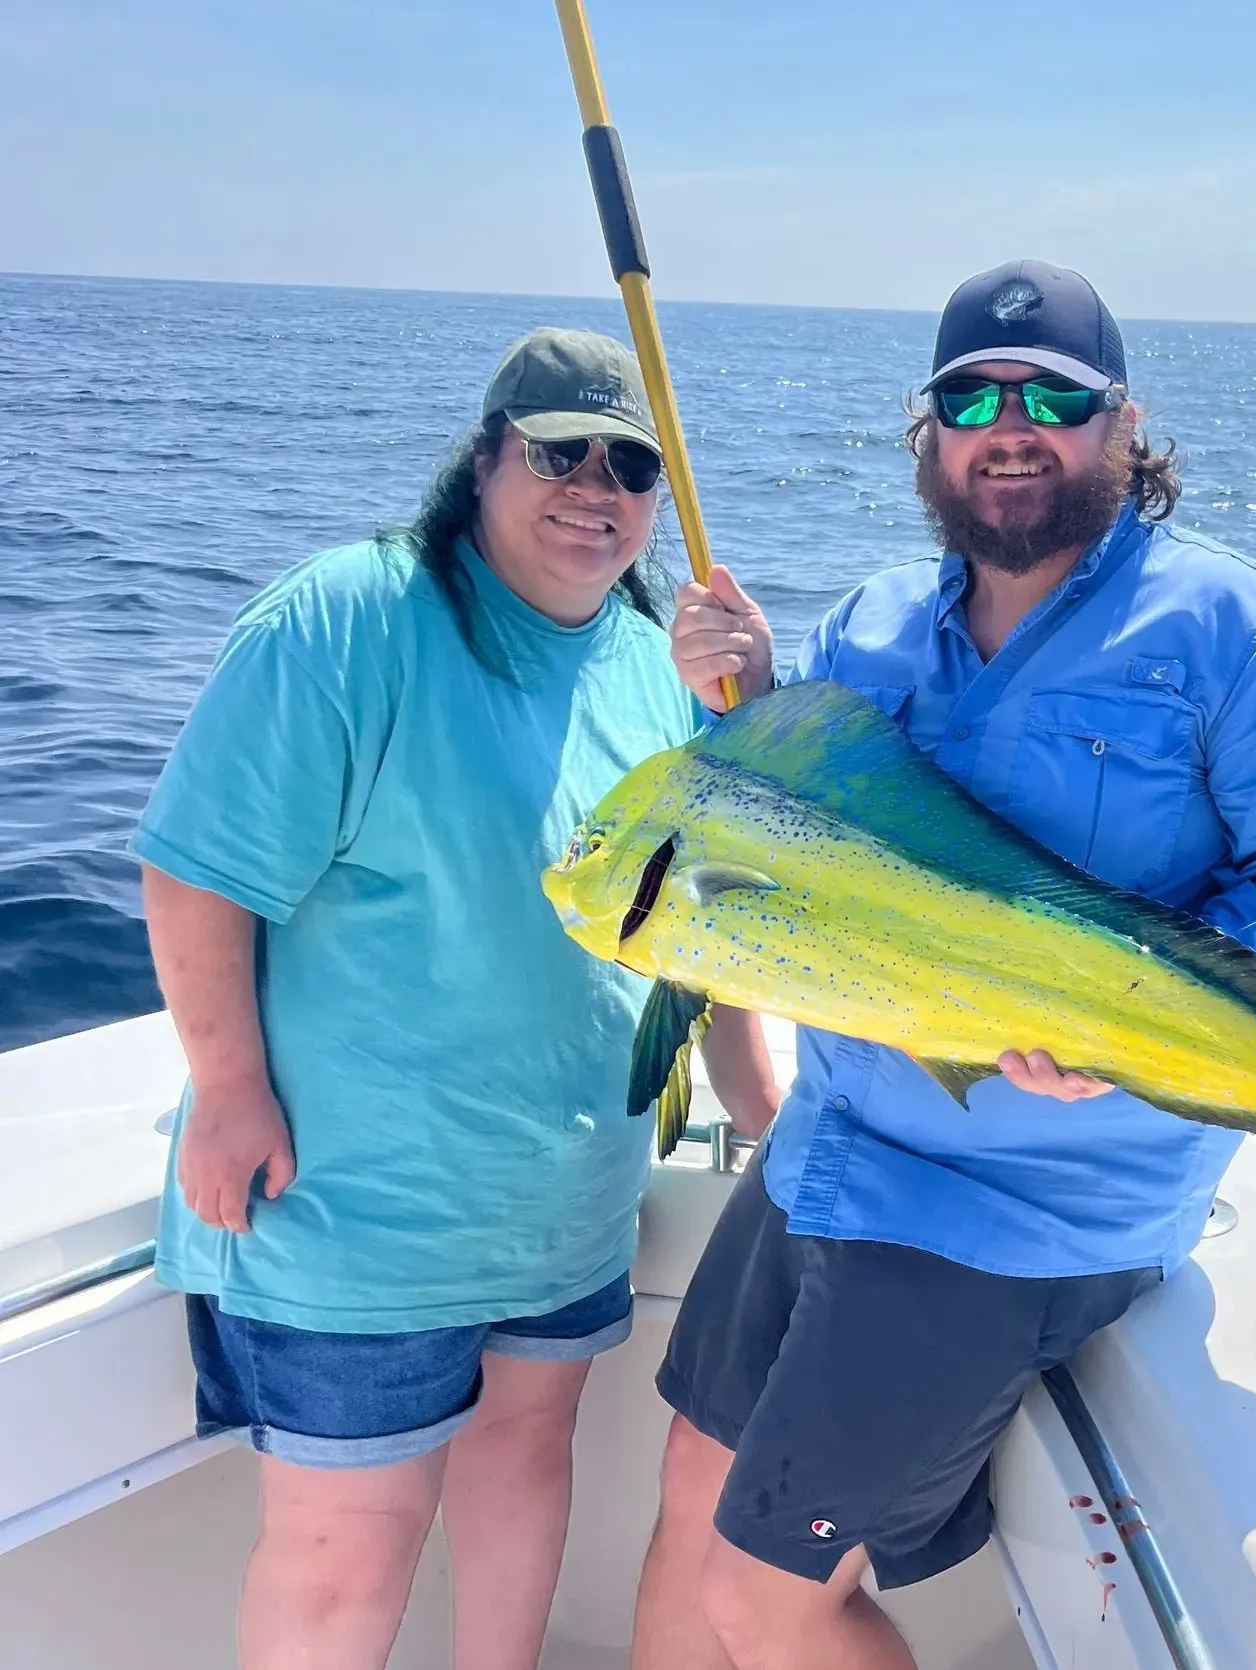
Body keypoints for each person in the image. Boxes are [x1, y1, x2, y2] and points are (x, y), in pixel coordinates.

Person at [637, 261, 1256, 1670]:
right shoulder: (864, 628)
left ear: (1126, 426)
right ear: (928, 431)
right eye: (973, 396)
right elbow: (824, 843)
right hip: (833, 1143)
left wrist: (1116, 1023)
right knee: (684, 1495)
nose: (1013, 425)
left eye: (1056, 396)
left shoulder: (1243, 632)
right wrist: (751, 694)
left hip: (1018, 1207)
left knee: (762, 1596)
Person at [134, 328, 780, 1670]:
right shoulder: (347, 617)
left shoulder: (665, 664)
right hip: (347, 1208)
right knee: (344, 1544)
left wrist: (757, 1095)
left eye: (633, 464)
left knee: (524, 1471)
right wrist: (232, 1091)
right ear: (485, 457)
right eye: (560, 451)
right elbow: (197, 872)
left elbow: (701, 917)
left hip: (559, 1200)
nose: (596, 485)